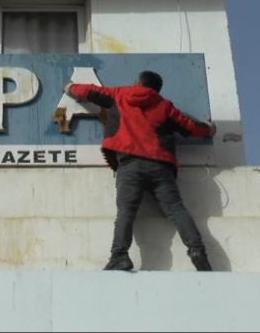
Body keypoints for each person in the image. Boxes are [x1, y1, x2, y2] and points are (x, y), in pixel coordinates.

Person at [64, 71, 216, 271]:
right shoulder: (164, 106)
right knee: (176, 209)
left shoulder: (120, 95)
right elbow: (189, 126)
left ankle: (119, 256)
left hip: (130, 164)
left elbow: (90, 91)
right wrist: (209, 129)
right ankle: (197, 251)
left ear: (138, 82)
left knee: (126, 212)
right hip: (161, 167)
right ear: (157, 89)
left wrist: (70, 88)